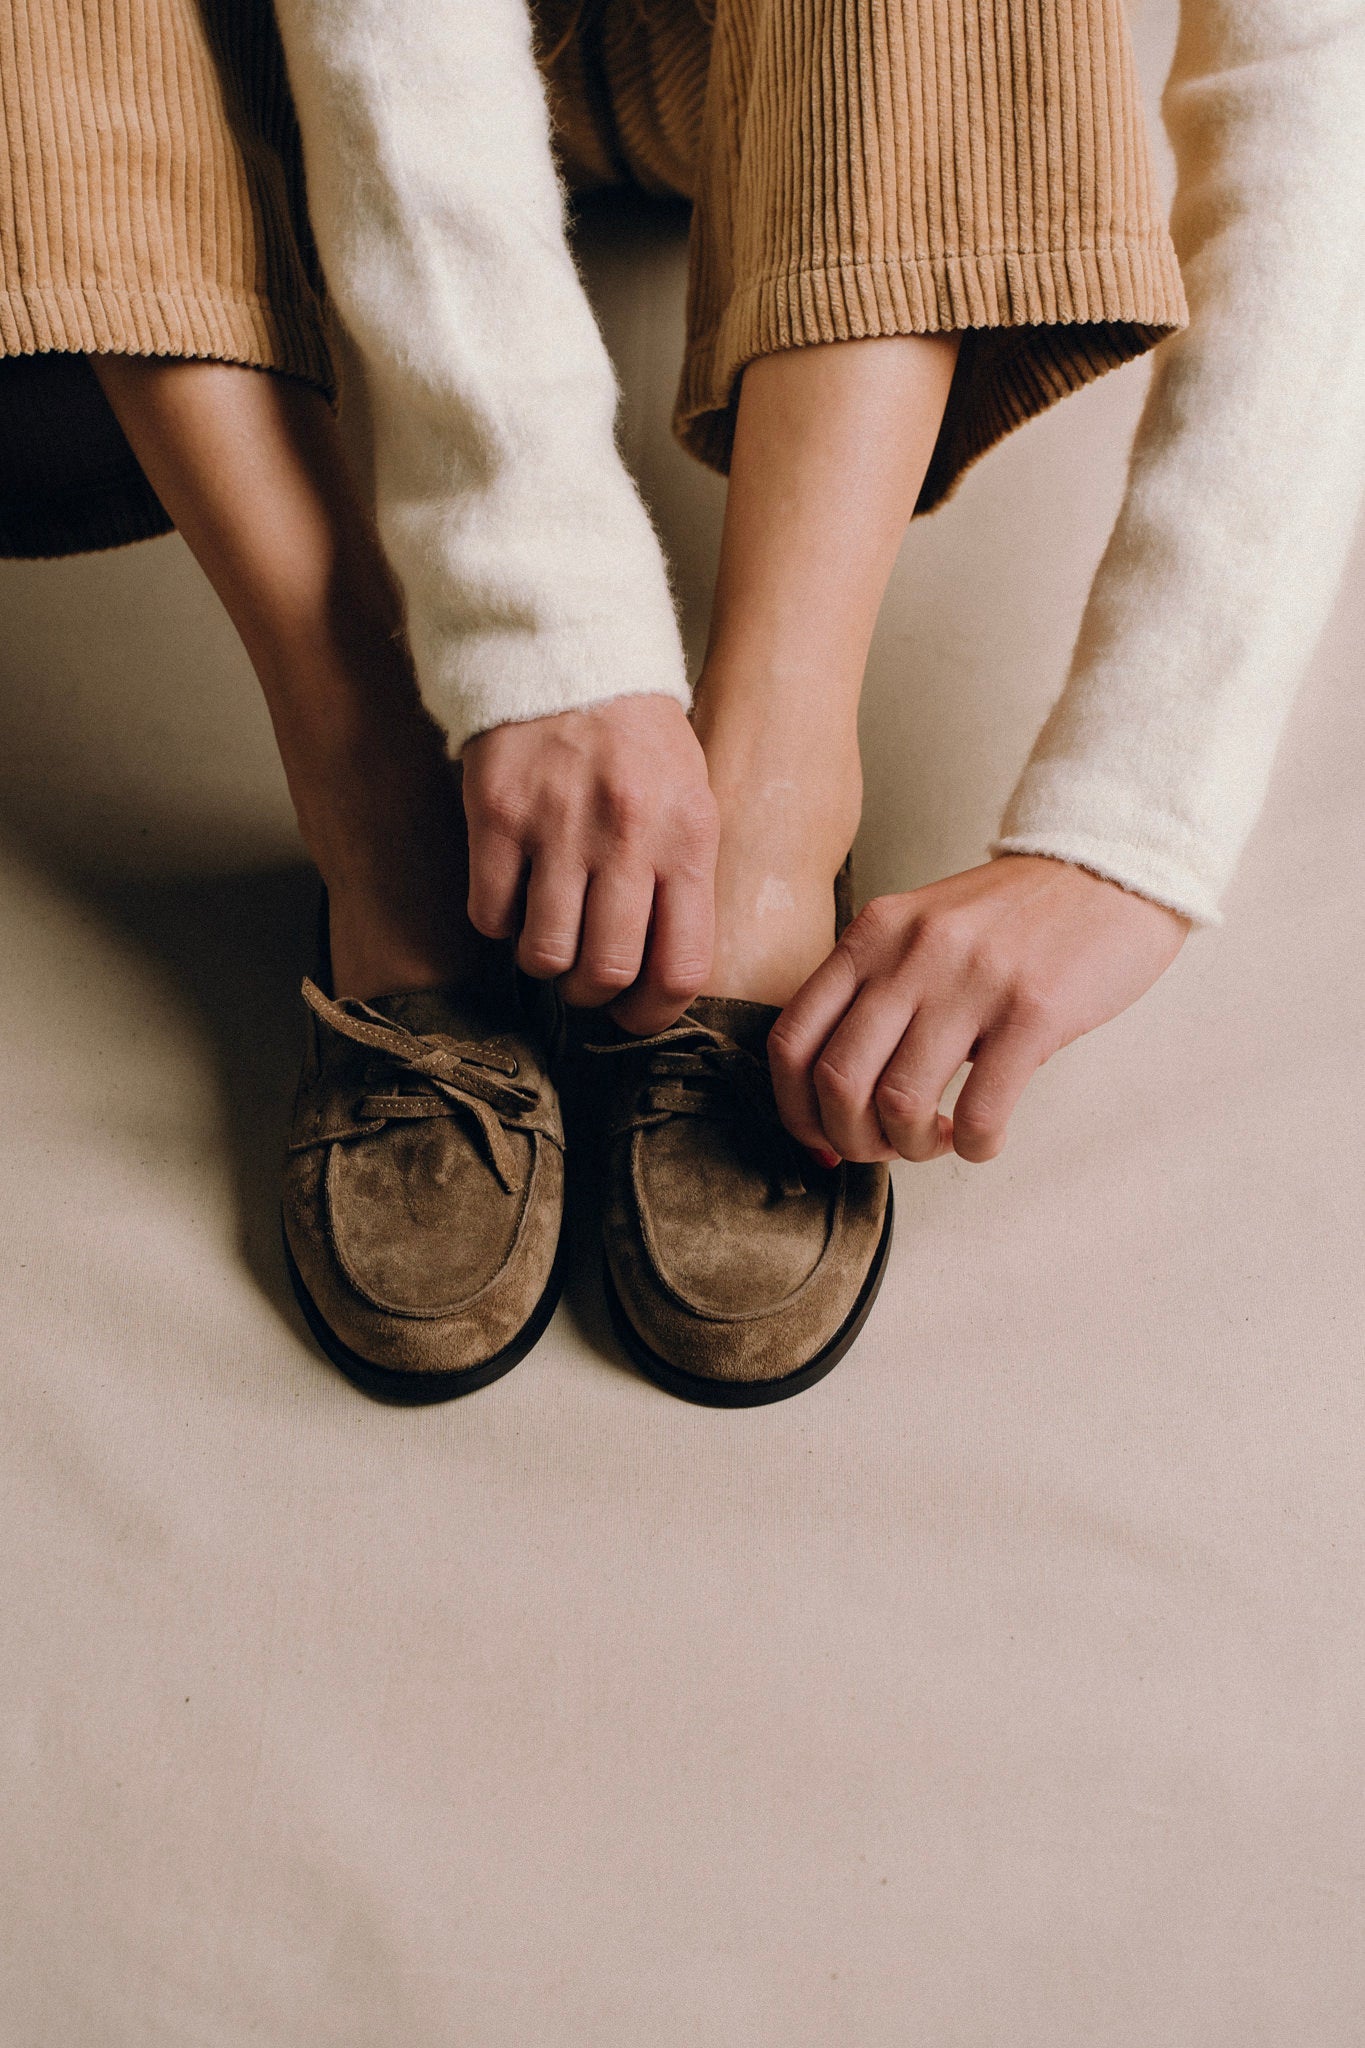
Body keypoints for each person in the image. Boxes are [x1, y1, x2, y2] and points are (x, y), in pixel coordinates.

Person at [3, 3, 1362, 1405]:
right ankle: (366, 771)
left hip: (762, 74)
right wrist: (541, 628)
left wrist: (1131, 836)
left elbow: (1312, 64)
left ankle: (774, 792)